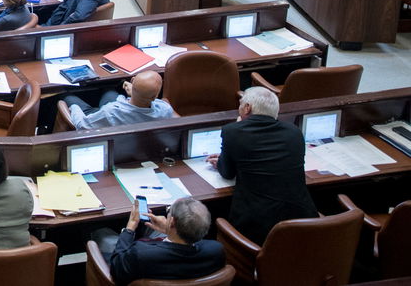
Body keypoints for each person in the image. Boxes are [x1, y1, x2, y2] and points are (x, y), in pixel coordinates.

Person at [210, 86, 317, 242]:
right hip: (302, 220)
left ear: (247, 108)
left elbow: (227, 172)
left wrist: (221, 161)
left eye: (240, 104)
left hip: (258, 227)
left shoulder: (233, 131)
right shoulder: (294, 132)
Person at [100, 197, 226, 286]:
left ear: (171, 222)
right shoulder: (216, 251)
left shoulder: (141, 254)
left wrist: (130, 228)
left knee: (101, 235)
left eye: (169, 210)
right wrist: (169, 231)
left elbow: (117, 269)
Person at [63, 71, 175, 130]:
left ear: (132, 80)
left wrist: (73, 107)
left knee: (67, 97)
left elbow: (81, 125)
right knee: (109, 91)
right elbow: (148, 100)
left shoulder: (110, 112)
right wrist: (136, 93)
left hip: (101, 120)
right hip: (122, 115)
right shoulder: (165, 110)